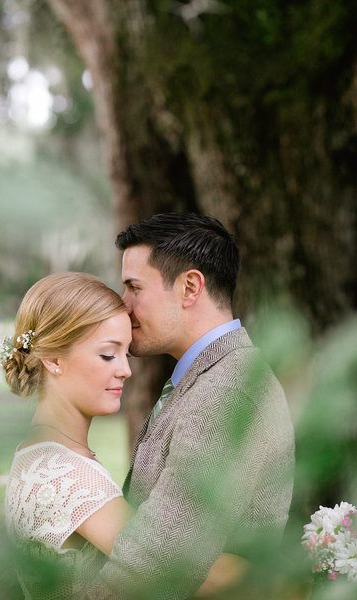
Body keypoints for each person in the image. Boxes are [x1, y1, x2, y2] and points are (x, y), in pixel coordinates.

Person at [86, 213, 295, 599]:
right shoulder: (211, 375)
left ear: (190, 287)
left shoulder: (227, 391)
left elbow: (159, 560)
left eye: (134, 287)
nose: (123, 306)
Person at [1, 272, 134, 599]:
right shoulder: (68, 477)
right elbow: (178, 569)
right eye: (108, 354)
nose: (125, 370)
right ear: (53, 359)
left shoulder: (35, 454)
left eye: (126, 353)